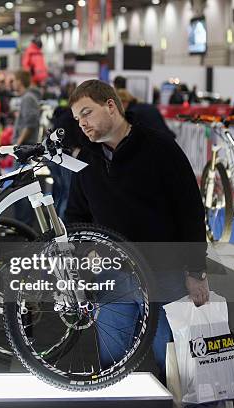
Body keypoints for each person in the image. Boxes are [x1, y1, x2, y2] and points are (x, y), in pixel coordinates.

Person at [66, 80, 208, 382]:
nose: (83, 124)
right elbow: (76, 216)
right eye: (78, 118)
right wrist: (84, 250)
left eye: (87, 113)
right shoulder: (85, 161)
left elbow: (190, 211)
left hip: (164, 274)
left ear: (111, 105)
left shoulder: (159, 148)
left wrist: (196, 271)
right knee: (110, 365)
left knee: (174, 364)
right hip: (111, 274)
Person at [12, 70, 41, 224]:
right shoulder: (28, 97)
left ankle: (22, 224)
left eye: (14, 80)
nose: (12, 83)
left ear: (20, 81)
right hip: (24, 149)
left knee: (21, 188)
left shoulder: (28, 98)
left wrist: (18, 144)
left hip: (24, 150)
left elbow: (30, 122)